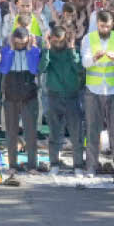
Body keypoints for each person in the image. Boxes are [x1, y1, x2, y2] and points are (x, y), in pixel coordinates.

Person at [81, 10, 114, 175]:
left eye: (107, 26)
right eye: (102, 26)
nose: (104, 29)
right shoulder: (88, 38)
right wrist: (95, 57)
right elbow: (85, 63)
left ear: (112, 25)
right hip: (93, 91)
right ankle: (91, 166)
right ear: (97, 24)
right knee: (92, 130)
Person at [40, 25, 85, 173]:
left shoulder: (73, 50)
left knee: (76, 133)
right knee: (54, 133)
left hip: (72, 96)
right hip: (54, 96)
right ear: (50, 40)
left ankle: (78, 165)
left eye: (60, 41)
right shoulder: (48, 51)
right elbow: (42, 68)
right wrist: (46, 49)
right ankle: (54, 164)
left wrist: (72, 50)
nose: (58, 44)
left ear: (65, 39)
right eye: (54, 41)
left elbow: (80, 68)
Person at [0, 27, 42, 173]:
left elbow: (34, 69)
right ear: (12, 40)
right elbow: (4, 69)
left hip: (29, 95)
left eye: (23, 43)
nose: (20, 46)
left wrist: (30, 50)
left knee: (30, 132)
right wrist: (10, 49)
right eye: (18, 43)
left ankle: (32, 165)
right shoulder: (6, 49)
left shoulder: (33, 50)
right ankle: (12, 164)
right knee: (11, 132)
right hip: (11, 94)